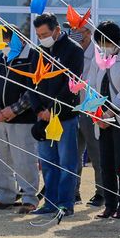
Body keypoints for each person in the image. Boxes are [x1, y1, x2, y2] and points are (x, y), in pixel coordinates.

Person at [30, 13, 85, 217]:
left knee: (67, 162)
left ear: (57, 30)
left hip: (65, 116)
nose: (42, 38)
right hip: (42, 117)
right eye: (38, 35)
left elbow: (71, 85)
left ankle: (65, 204)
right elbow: (31, 83)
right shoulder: (38, 52)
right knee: (47, 162)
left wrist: (52, 110)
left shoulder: (73, 50)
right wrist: (39, 110)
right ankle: (49, 203)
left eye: (45, 34)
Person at [85, 21, 120, 220]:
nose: (102, 45)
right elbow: (90, 86)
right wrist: (96, 113)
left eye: (105, 41)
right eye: (99, 41)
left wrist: (111, 112)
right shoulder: (98, 58)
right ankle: (110, 204)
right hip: (101, 119)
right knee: (105, 163)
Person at [0, 23, 41, 213]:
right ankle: (3, 195)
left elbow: (33, 89)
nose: (5, 45)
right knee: (0, 158)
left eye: (8, 40)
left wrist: (14, 110)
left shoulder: (32, 56)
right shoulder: (2, 57)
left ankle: (29, 198)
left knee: (24, 159)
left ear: (19, 38)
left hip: (23, 120)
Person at [67, 17, 103, 207]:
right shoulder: (70, 52)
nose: (73, 33)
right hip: (72, 110)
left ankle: (102, 193)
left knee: (96, 155)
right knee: (73, 154)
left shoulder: (98, 55)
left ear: (88, 32)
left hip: (90, 110)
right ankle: (73, 192)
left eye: (78, 30)